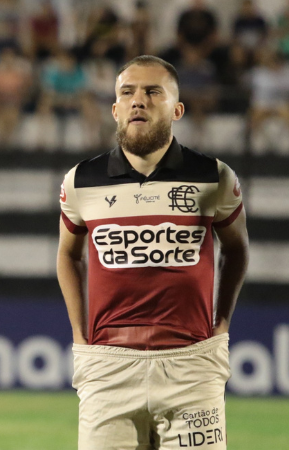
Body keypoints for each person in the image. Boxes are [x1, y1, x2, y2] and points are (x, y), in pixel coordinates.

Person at [56, 55, 249, 450]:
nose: (137, 100)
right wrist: (79, 335)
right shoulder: (81, 181)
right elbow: (67, 255)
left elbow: (237, 251)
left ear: (177, 109)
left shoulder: (214, 176)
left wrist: (222, 323)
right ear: (115, 109)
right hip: (108, 366)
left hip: (192, 366)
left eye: (152, 92)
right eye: (127, 92)